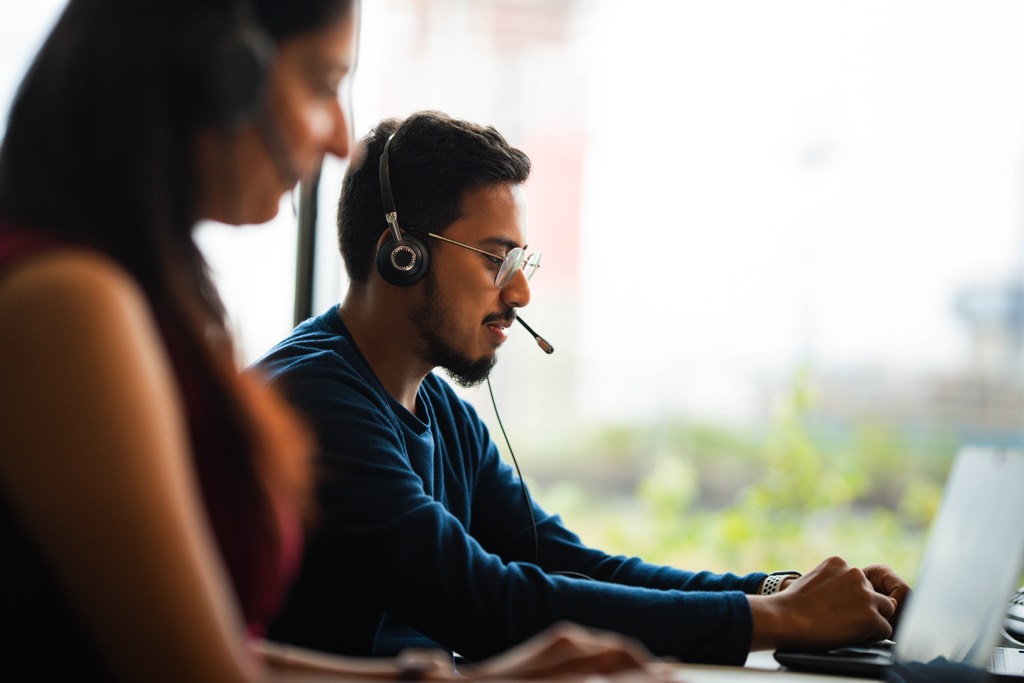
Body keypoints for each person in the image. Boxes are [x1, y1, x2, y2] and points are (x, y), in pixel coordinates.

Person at [0, 1, 658, 680]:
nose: (342, 140)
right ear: (221, 71)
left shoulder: (135, 301)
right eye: (321, 83)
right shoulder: (68, 303)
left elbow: (222, 652)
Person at [249, 110, 913, 667]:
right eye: (495, 258)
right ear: (401, 252)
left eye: (523, 261)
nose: (521, 292)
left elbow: (574, 564)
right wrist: (773, 619)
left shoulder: (441, 413)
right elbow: (486, 602)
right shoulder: (315, 400)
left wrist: (782, 591)